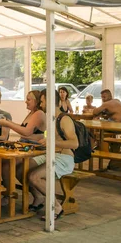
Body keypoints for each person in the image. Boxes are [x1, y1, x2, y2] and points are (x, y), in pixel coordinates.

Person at [28, 89, 78, 220]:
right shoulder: (51, 118)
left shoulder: (64, 119)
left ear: (50, 101)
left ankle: (56, 206)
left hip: (65, 158)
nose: (41, 104)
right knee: (22, 166)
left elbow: (74, 143)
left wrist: (52, 141)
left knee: (34, 177)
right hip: (51, 154)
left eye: (43, 101)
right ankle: (39, 196)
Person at [92, 88, 121, 169]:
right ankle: (114, 160)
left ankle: (96, 146)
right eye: (102, 97)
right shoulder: (117, 100)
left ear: (109, 96)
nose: (103, 99)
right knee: (101, 126)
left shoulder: (107, 104)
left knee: (96, 127)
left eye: (104, 97)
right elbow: (112, 113)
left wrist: (99, 113)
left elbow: (95, 112)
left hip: (116, 127)